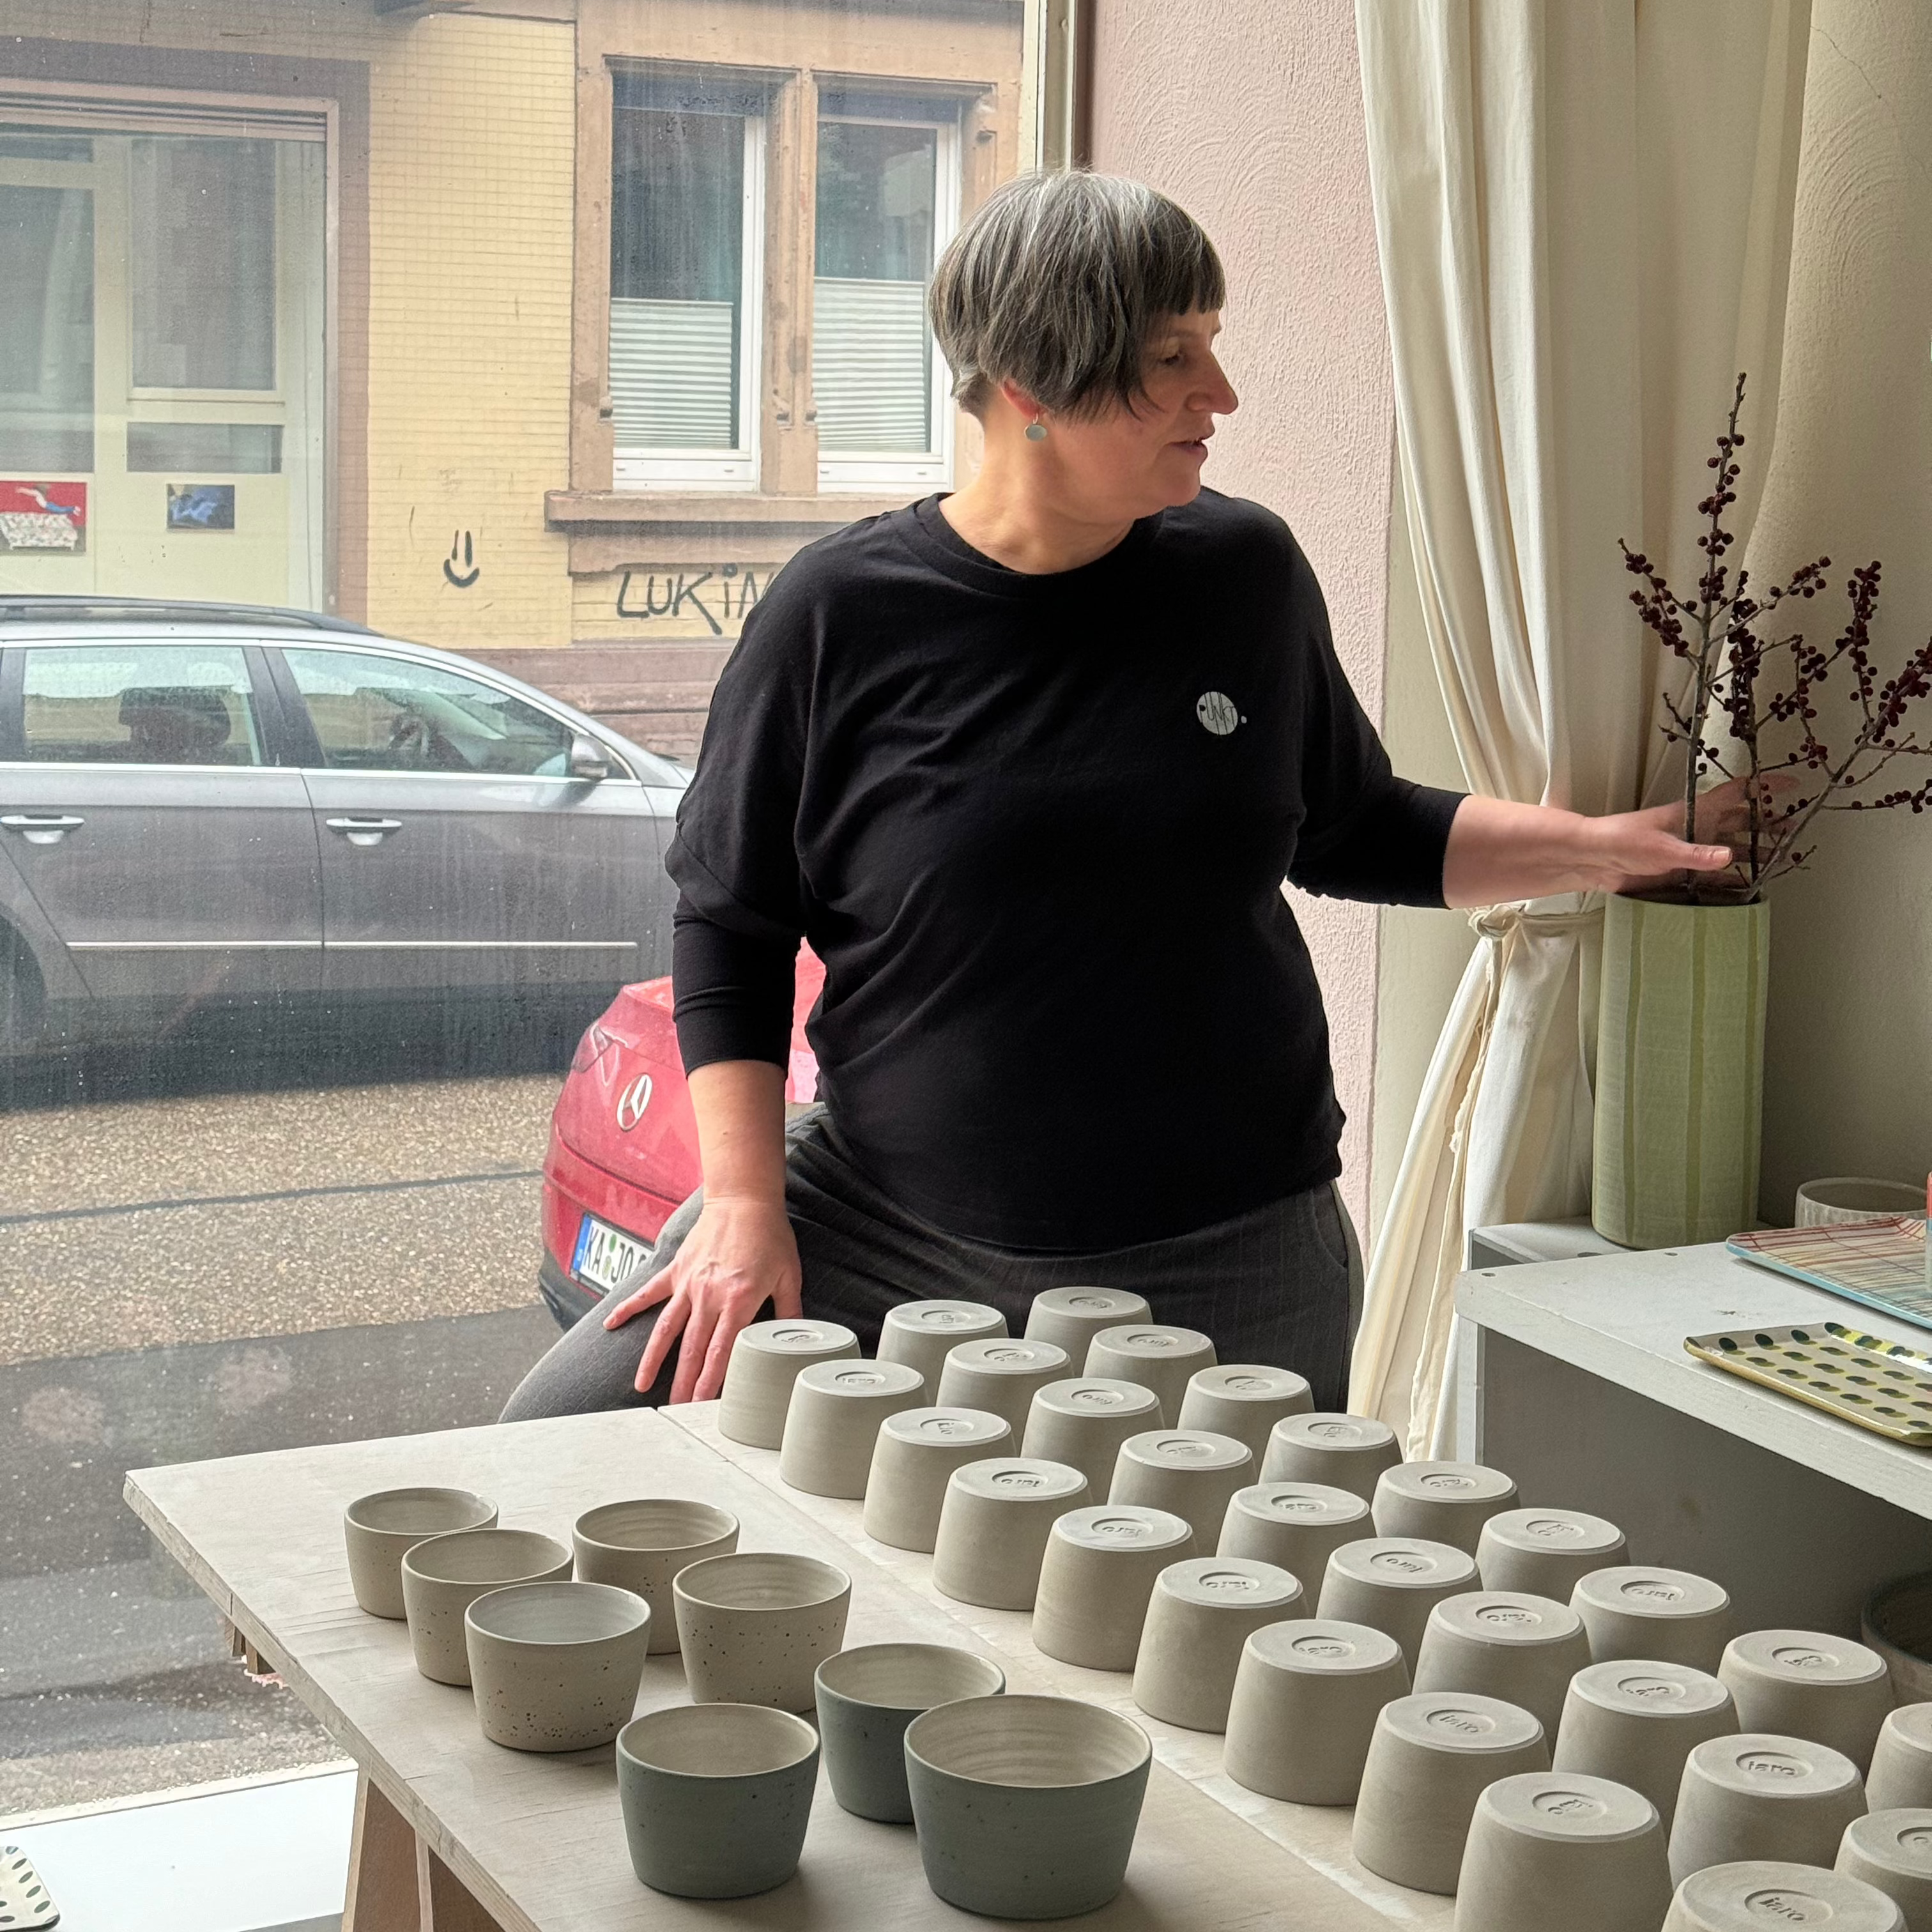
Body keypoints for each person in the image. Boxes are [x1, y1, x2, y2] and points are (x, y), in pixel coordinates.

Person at [501, 171, 1742, 1425]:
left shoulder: (1242, 575)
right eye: (1174, 360)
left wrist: (1602, 850)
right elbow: (731, 921)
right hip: (881, 1236)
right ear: (1034, 389)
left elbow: (1354, 822)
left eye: (1214, 344)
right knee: (544, 1454)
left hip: (1225, 1260)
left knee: (1188, 1613)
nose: (1223, 396)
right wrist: (747, 1208)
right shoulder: (838, 616)